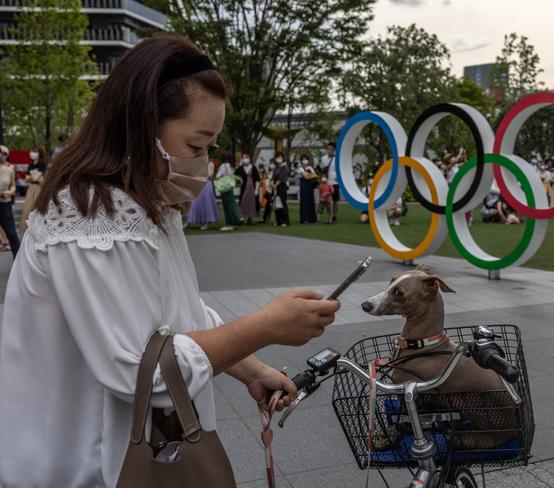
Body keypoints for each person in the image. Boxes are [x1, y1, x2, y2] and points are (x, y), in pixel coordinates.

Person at [0, 34, 340, 488]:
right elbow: (138, 371)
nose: (202, 163)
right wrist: (264, 326)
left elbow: (176, 315)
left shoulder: (144, 204)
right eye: (196, 146)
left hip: (121, 454)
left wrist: (252, 367)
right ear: (141, 128)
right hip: (82, 463)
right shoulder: (91, 217)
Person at [19, 147, 47, 233]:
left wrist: (33, 177)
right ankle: (27, 230)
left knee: (37, 209)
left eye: (35, 151)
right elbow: (27, 178)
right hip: (31, 188)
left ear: (40, 153)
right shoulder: (31, 164)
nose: (32, 153)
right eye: (31, 151)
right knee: (28, 209)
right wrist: (34, 176)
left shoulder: (42, 164)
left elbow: (40, 178)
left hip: (39, 188)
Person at [187, 159, 220, 230]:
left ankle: (206, 222)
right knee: (195, 203)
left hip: (207, 185)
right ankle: (189, 222)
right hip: (199, 184)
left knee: (207, 204)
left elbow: (210, 174)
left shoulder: (211, 164)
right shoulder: (199, 162)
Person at [0, 145, 20, 257]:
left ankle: (18, 261)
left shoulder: (9, 170)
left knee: (12, 234)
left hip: (4, 205)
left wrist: (9, 192)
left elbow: (13, 185)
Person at [215, 155, 240, 231]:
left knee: (226, 206)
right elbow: (232, 175)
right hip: (230, 188)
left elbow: (217, 176)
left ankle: (229, 223)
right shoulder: (230, 166)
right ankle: (234, 221)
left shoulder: (223, 166)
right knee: (231, 205)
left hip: (224, 188)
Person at [235, 152, 260, 224]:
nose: (245, 159)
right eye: (244, 158)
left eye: (246, 158)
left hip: (252, 187)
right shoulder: (240, 168)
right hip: (244, 188)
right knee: (242, 201)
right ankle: (242, 217)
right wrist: (239, 180)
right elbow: (234, 174)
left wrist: (256, 189)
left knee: (251, 202)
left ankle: (250, 218)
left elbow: (257, 179)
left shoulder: (253, 168)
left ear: (249, 159)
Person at [319, 142, 339, 222]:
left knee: (335, 200)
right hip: (326, 182)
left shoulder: (337, 158)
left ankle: (334, 215)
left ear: (334, 149)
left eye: (331, 149)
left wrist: (338, 178)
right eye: (328, 149)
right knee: (325, 199)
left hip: (334, 181)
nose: (329, 150)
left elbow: (340, 169)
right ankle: (324, 214)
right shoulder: (323, 158)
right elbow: (321, 168)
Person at [297, 154, 317, 224]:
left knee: (310, 201)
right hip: (304, 186)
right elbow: (306, 177)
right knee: (304, 202)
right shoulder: (300, 168)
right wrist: (310, 175)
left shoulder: (310, 167)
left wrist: (308, 175)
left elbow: (316, 175)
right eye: (303, 159)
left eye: (306, 159)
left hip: (310, 187)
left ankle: (312, 218)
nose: (305, 161)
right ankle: (305, 219)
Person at [271, 151, 290, 227]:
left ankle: (285, 221)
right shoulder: (276, 168)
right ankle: (278, 221)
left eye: (280, 157)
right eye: (277, 157)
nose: (278, 159)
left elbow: (282, 178)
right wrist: (272, 183)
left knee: (283, 204)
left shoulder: (284, 167)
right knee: (276, 204)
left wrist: (276, 184)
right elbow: (273, 177)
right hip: (275, 187)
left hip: (282, 187)